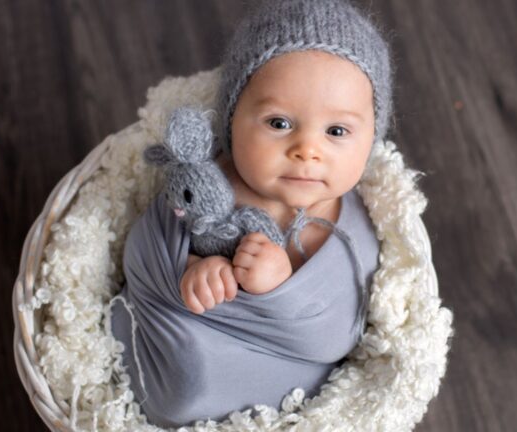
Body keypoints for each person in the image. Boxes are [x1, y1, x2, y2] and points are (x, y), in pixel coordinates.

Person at [109, 0, 394, 426]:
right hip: (183, 346)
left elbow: (339, 334)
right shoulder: (211, 180)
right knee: (183, 378)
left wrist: (276, 287)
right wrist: (191, 270)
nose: (307, 150)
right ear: (232, 118)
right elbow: (144, 249)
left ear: (371, 137)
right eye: (279, 123)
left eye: (337, 131)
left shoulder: (352, 227)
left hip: (278, 379)